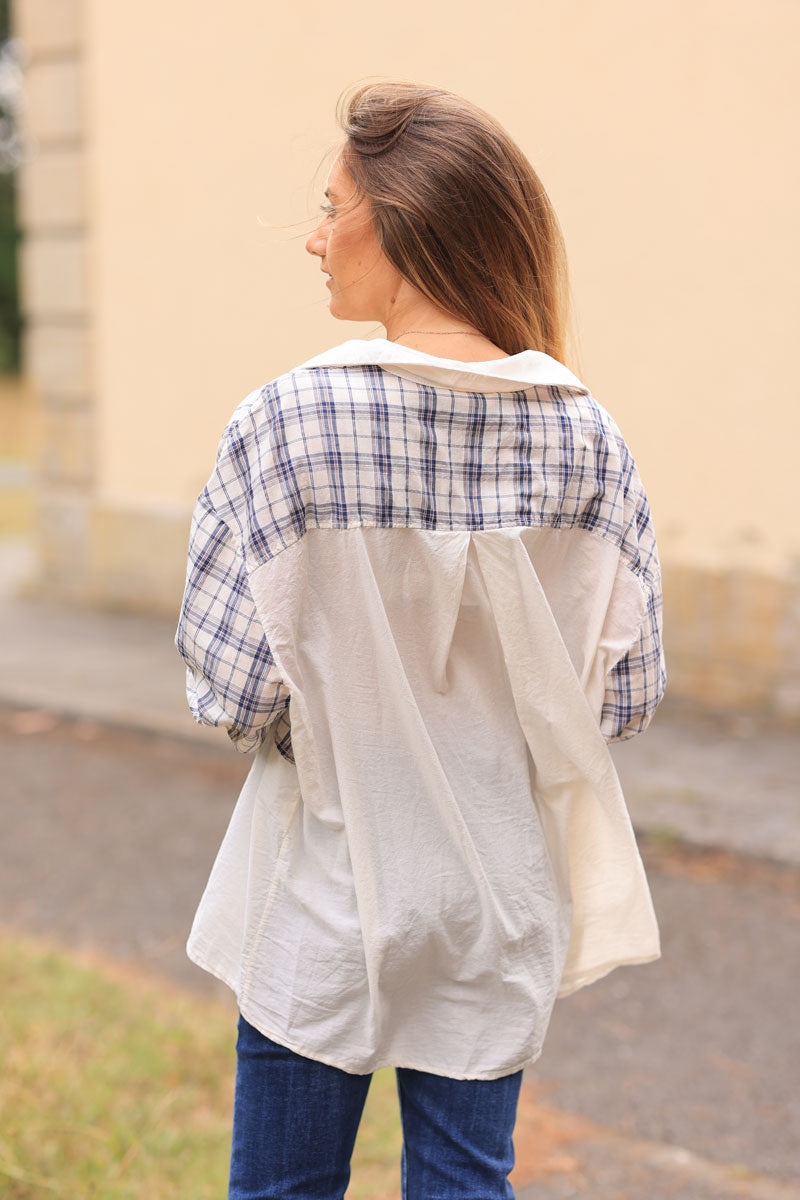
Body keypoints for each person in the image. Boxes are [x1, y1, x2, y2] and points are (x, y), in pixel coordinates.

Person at [174, 79, 667, 1200]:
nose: (313, 235)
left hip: (324, 878)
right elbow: (623, 696)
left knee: (282, 1190)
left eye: (332, 205)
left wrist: (349, 706)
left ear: (400, 222)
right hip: (497, 889)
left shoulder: (283, 422)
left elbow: (234, 689)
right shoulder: (590, 440)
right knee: (462, 1184)